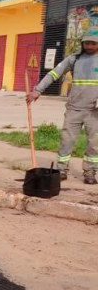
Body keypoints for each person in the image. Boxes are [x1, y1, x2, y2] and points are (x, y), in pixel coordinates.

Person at [27, 34, 98, 184]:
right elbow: (54, 74)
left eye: (93, 43)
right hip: (74, 108)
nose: (89, 47)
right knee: (66, 140)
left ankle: (90, 172)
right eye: (86, 43)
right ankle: (61, 170)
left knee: (94, 143)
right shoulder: (74, 59)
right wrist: (37, 90)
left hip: (94, 111)